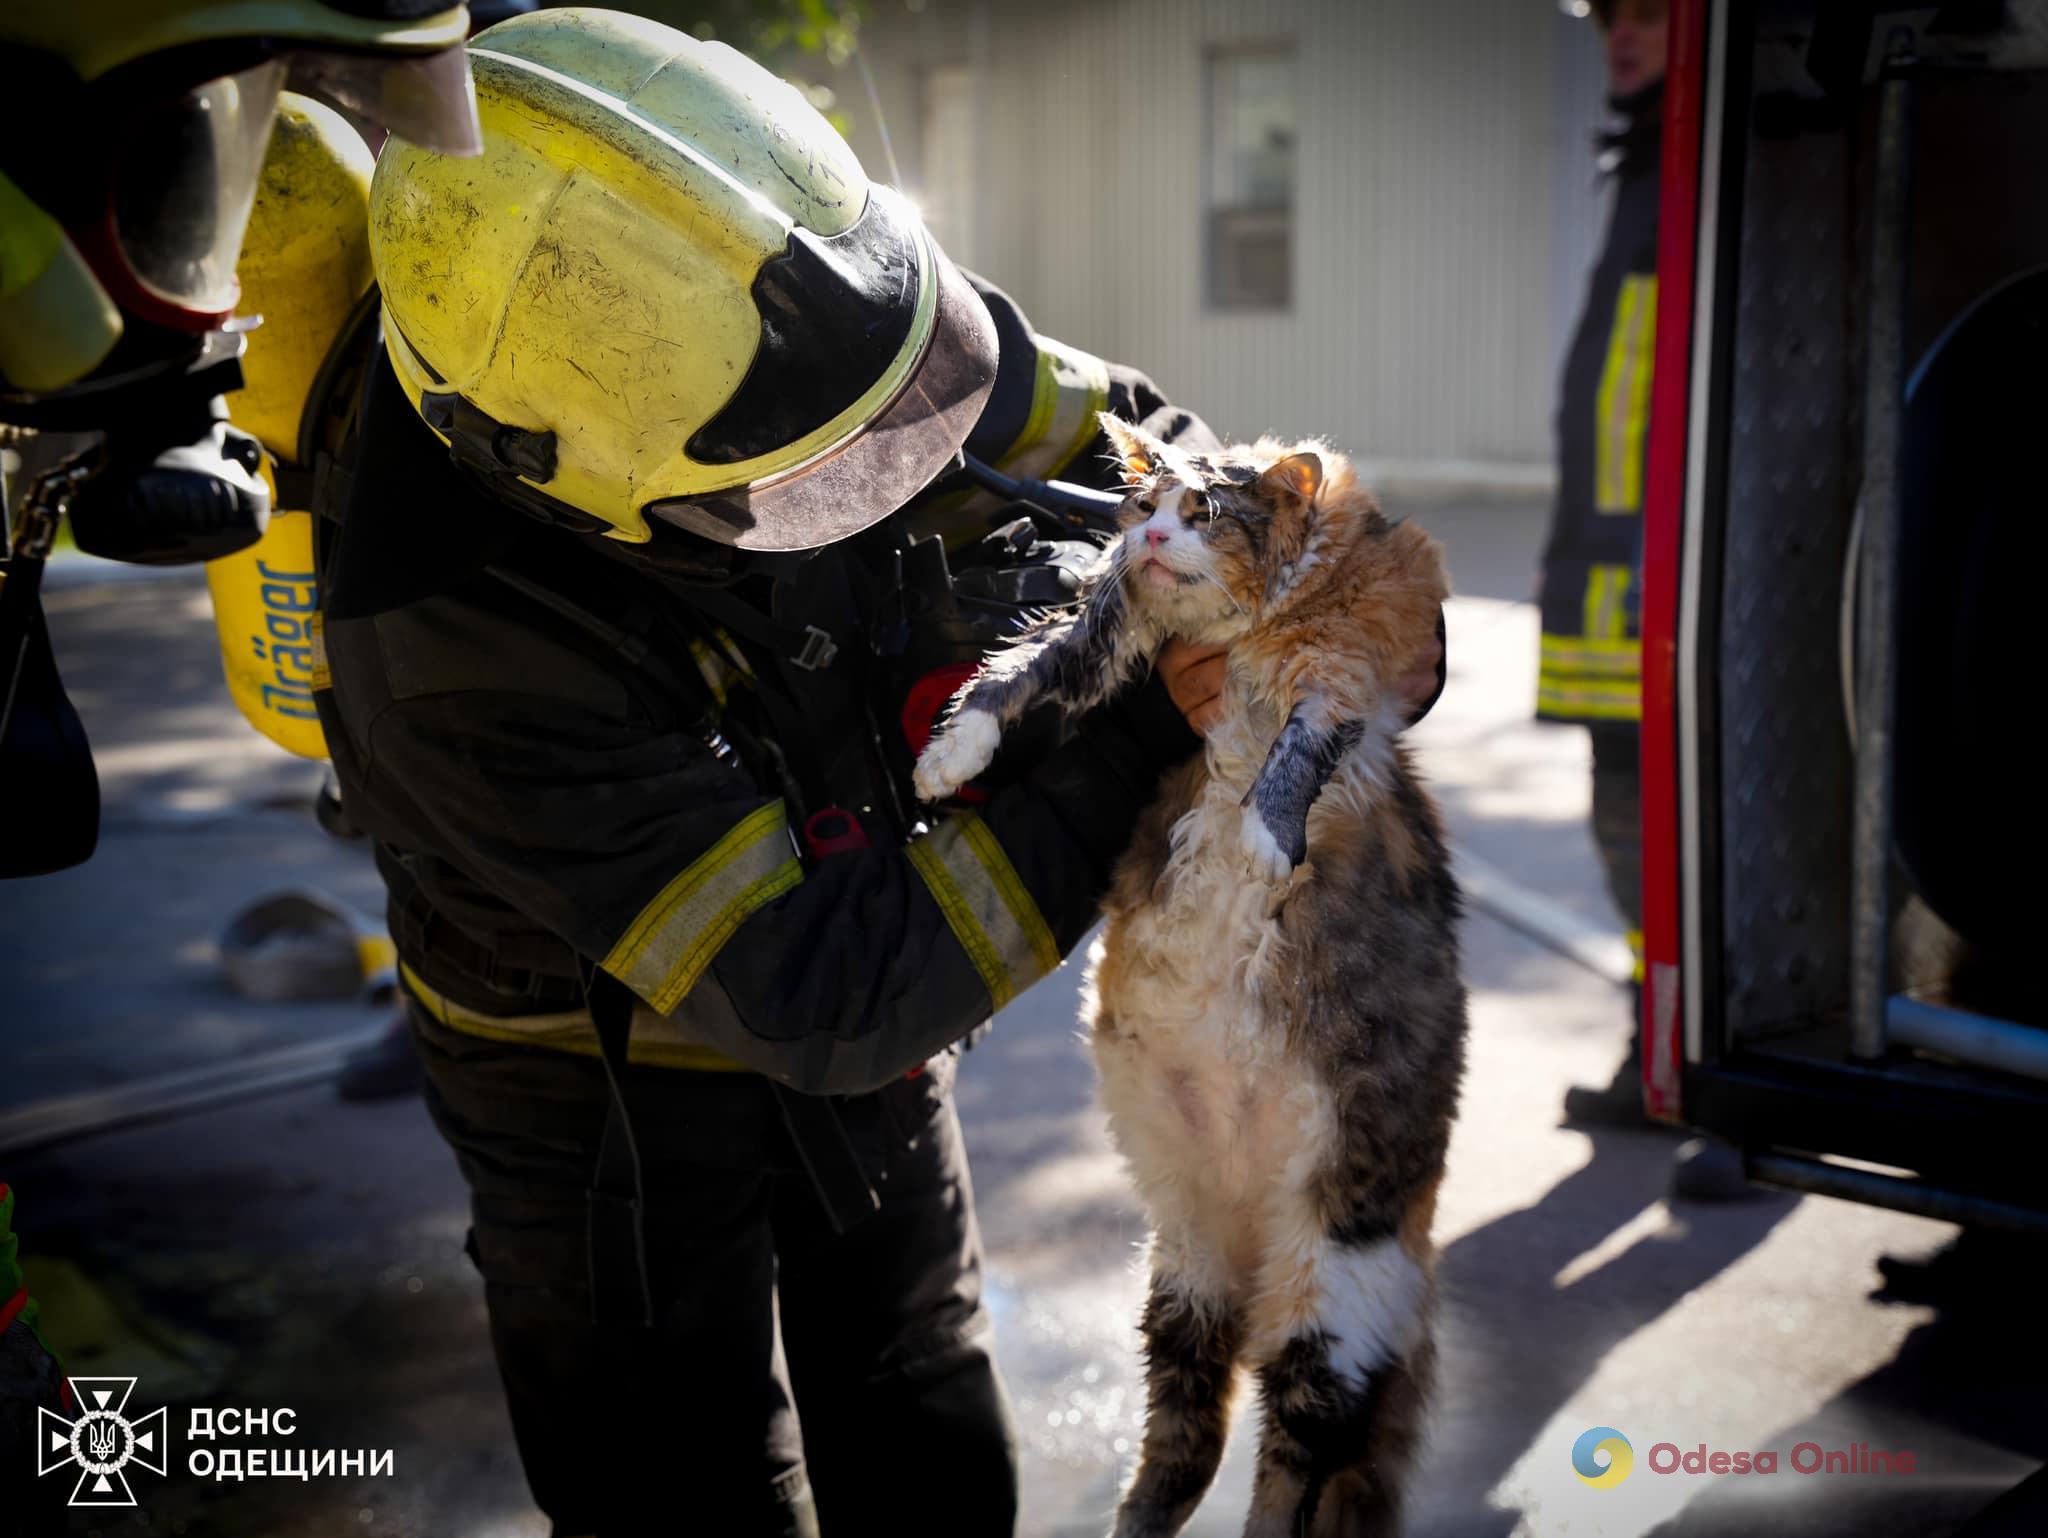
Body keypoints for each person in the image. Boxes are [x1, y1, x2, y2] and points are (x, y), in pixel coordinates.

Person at [311, 12, 1438, 1534]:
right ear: (598, 486)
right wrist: (1129, 728)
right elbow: (827, 989)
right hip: (594, 1085)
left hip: (860, 951)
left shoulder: (785, 276)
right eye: (822, 476)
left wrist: (1274, 610)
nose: (892, 466)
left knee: (919, 1404)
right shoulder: (451, 632)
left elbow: (1134, 441)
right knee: (680, 1484)